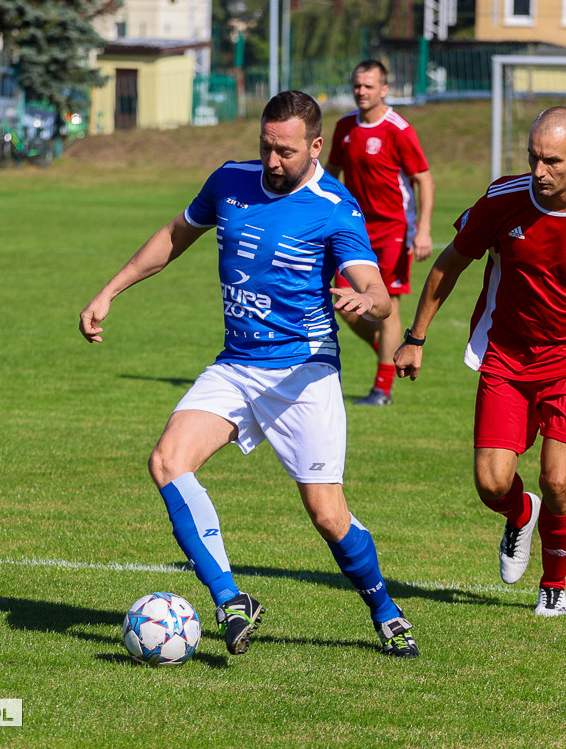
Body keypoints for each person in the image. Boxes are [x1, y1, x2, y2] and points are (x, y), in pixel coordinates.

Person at [79, 90, 419, 658]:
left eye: (285, 151)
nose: (271, 161)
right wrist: (109, 291)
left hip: (302, 374)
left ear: (315, 147)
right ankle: (231, 599)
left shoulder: (334, 207)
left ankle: (385, 610)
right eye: (265, 147)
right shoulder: (228, 181)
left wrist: (369, 304)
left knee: (328, 514)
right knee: (167, 461)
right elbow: (172, 238)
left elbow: (378, 292)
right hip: (237, 364)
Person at [394, 107, 566, 617]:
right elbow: (450, 263)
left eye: (552, 161)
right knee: (490, 483)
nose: (539, 171)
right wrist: (415, 336)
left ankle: (554, 584)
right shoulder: (503, 199)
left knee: (557, 478)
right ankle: (519, 511)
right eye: (533, 157)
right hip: (507, 356)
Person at [325, 60, 435, 406]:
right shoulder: (344, 127)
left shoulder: (398, 129)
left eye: (369, 86)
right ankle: (386, 349)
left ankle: (382, 389)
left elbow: (423, 179)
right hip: (354, 229)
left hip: (393, 231)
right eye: (357, 85)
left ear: (384, 89)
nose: (361, 91)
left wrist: (424, 230)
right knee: (343, 300)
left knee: (387, 306)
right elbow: (331, 174)